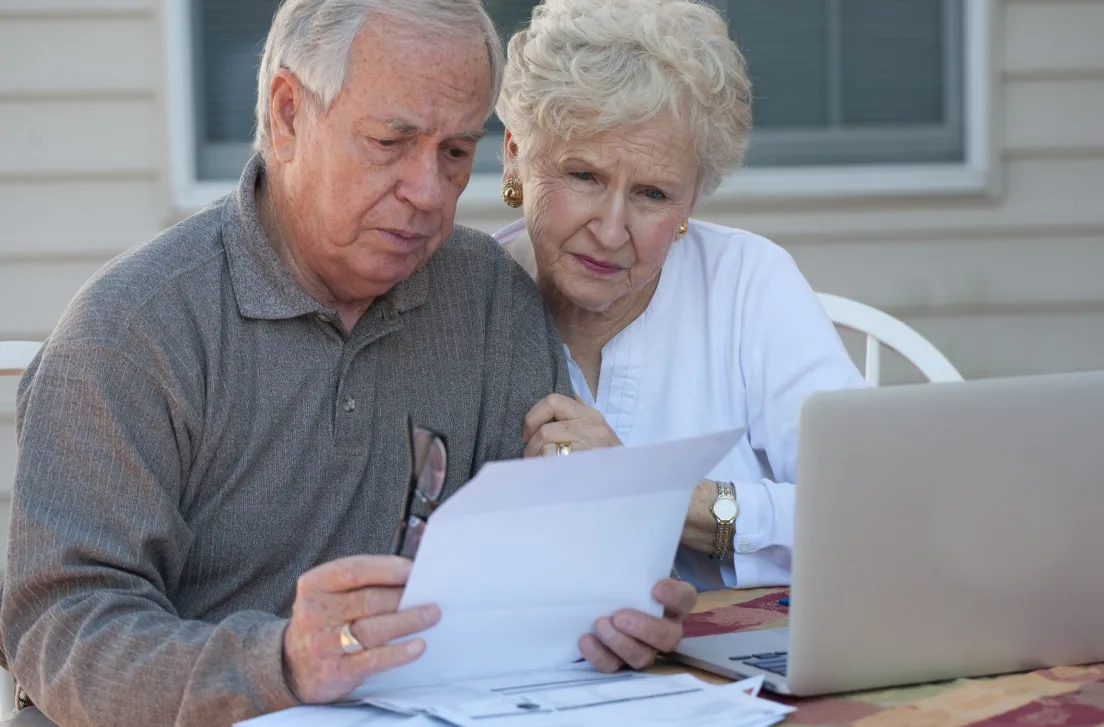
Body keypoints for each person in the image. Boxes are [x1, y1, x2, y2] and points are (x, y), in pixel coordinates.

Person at [0, 2, 696, 725]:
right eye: (391, 142)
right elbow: (61, 629)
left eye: (455, 153)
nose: (428, 192)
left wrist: (611, 604)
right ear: (289, 115)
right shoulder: (132, 331)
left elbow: (537, 570)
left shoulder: (489, 299)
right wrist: (282, 665)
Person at [495, 0, 866, 594]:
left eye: (652, 193)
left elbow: (871, 506)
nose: (612, 230)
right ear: (516, 154)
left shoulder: (747, 283)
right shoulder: (463, 306)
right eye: (584, 175)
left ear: (692, 201)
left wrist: (654, 497)